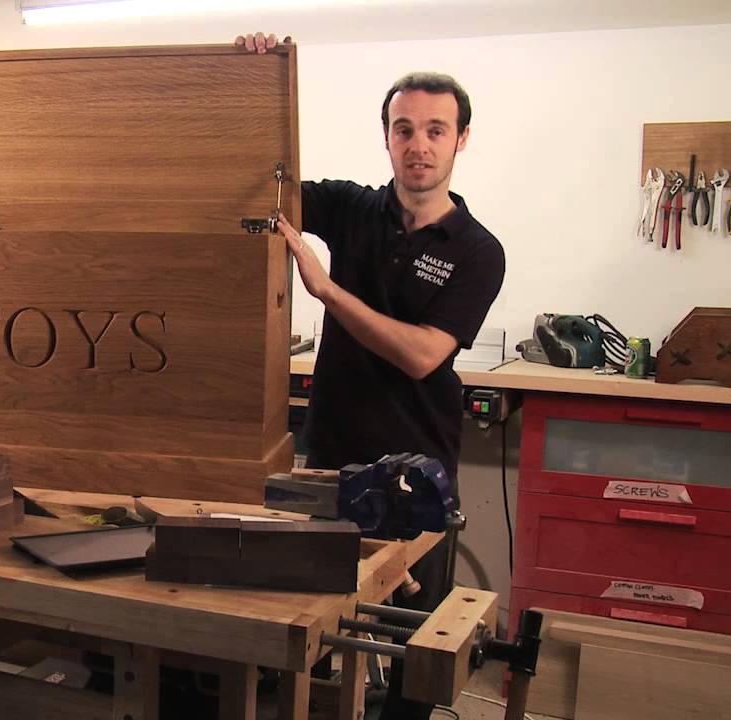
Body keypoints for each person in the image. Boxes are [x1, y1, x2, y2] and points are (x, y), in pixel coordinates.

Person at [237, 33, 506, 720]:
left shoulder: (477, 251)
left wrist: (326, 291)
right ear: (386, 138)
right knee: (316, 642)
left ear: (461, 140)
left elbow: (421, 354)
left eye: (435, 130)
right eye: (404, 128)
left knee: (413, 656)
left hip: (420, 476)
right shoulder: (354, 209)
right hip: (330, 461)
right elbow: (263, 180)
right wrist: (253, 77)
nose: (419, 144)